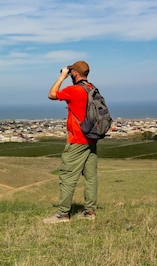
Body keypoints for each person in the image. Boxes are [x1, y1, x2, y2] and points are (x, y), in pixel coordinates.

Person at [43, 60, 98, 223]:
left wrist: (61, 77)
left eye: (71, 71)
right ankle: (89, 212)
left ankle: (62, 214)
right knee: (90, 177)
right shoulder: (91, 89)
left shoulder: (74, 90)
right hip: (92, 138)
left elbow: (52, 94)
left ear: (74, 73)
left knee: (67, 176)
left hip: (77, 139)